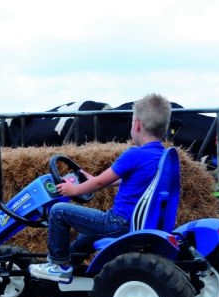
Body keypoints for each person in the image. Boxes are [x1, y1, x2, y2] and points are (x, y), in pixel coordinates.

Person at [29, 93, 172, 283]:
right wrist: (93, 179)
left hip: (118, 222)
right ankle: (74, 266)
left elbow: (98, 183)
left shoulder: (134, 154)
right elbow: (129, 180)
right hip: (136, 223)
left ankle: (58, 265)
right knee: (86, 234)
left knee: (58, 211)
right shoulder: (161, 155)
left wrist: (74, 191)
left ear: (136, 124)